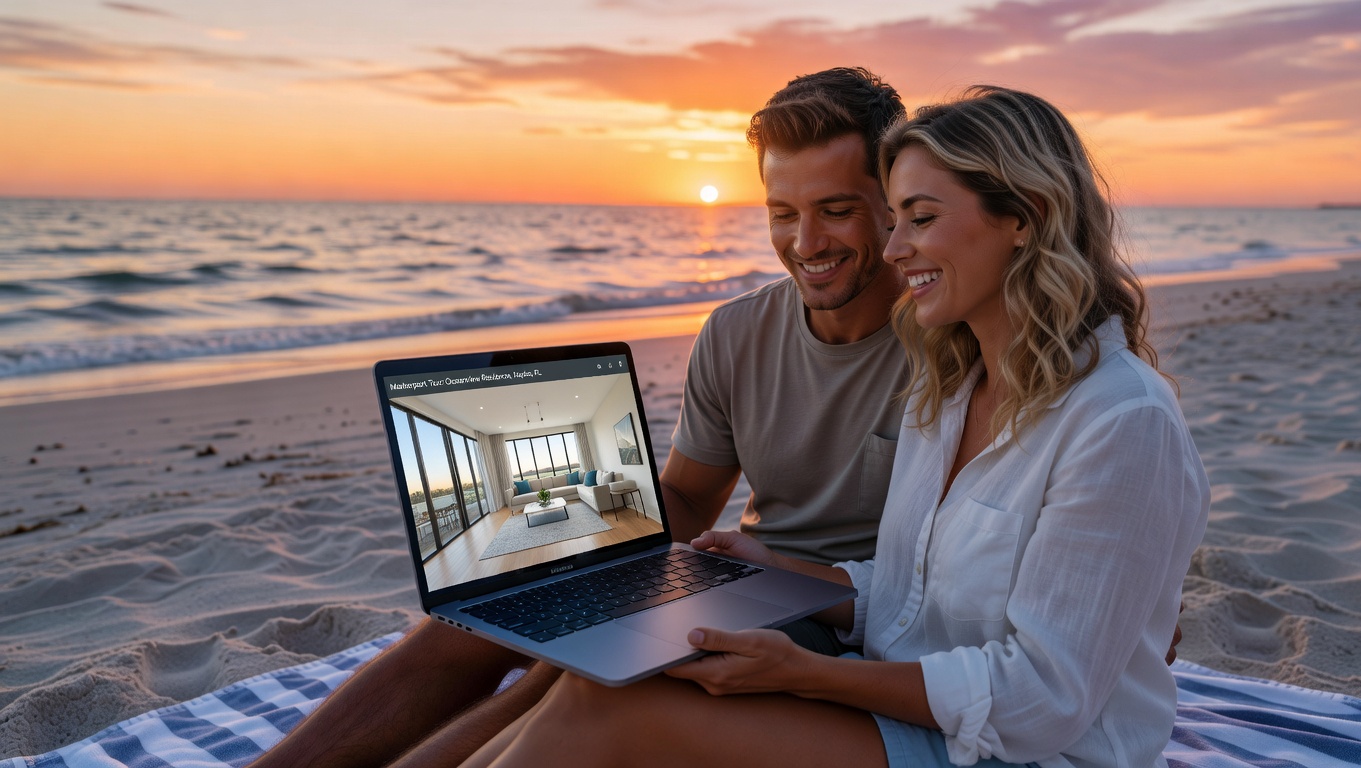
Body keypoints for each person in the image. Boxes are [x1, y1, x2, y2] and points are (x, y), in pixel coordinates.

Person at [455, 86, 1211, 768]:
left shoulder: (1121, 422)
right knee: (602, 679)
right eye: (894, 219)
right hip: (915, 715)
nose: (893, 249)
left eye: (919, 218)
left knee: (608, 709)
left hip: (1022, 753)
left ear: (1023, 219)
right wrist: (776, 573)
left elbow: (1043, 699)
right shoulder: (951, 391)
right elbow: (919, 599)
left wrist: (806, 674)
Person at [251, 66, 913, 768]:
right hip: (734, 575)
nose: (806, 242)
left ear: (894, 203)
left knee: (564, 673)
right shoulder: (735, 331)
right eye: (783, 212)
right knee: (477, 618)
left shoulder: (949, 344)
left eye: (836, 210)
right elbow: (690, 494)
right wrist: (594, 539)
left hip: (826, 621)